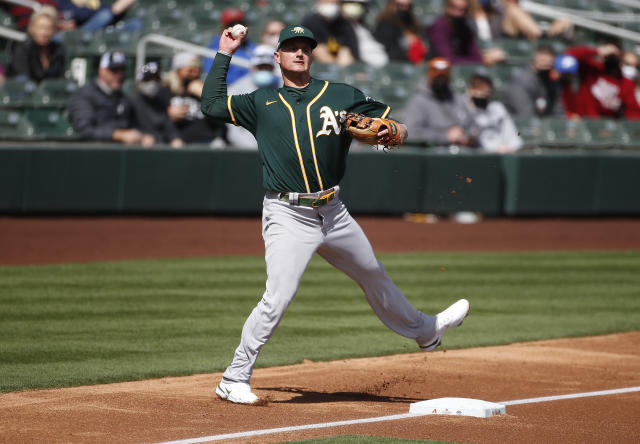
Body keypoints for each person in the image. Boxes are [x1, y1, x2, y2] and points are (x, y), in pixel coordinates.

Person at [201, 24, 470, 404]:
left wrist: (392, 130)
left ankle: (425, 331)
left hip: (333, 211)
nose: (298, 53)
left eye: (305, 48)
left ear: (312, 55)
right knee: (278, 296)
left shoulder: (340, 95)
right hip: (287, 212)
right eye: (290, 48)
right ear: (276, 56)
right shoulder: (260, 103)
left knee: (373, 274)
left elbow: (397, 125)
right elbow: (210, 106)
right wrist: (225, 52)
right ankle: (234, 376)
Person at [68, 50, 154, 146]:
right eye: (114, 70)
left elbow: (135, 124)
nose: (119, 75)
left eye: (122, 70)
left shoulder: (123, 98)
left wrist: (143, 136)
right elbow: (85, 130)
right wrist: (118, 135)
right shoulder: (84, 95)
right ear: (102, 71)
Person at [403, 57, 478, 147]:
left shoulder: (457, 98)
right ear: (429, 77)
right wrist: (445, 136)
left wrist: (466, 136)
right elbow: (412, 133)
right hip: (433, 153)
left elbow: (473, 126)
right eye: (437, 78)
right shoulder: (418, 101)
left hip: (462, 150)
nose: (441, 81)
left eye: (443, 78)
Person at [564, 41, 640, 119]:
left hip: (605, 126)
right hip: (582, 120)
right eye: (626, 63)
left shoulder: (626, 83)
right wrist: (598, 50)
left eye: (634, 66)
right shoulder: (593, 70)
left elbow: (633, 111)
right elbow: (569, 55)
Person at [165, 52, 226, 145]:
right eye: (190, 70)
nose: (194, 74)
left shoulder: (203, 89)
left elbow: (222, 114)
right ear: (178, 71)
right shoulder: (166, 90)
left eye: (197, 71)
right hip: (178, 143)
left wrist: (206, 95)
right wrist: (168, 114)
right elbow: (152, 119)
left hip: (207, 142)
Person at [226, 44, 280, 149]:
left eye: (267, 67)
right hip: (245, 152)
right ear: (253, 66)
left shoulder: (283, 87)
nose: (264, 70)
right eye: (261, 67)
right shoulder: (234, 91)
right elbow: (233, 132)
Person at [427, 0, 505, 66]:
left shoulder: (464, 28)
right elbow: (448, 59)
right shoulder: (438, 27)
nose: (458, 14)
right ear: (446, 7)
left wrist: (486, 57)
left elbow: (474, 52)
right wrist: (482, 61)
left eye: (462, 10)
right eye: (454, 8)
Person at [502, 45, 565, 118]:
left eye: (550, 64)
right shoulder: (521, 81)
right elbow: (526, 114)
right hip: (516, 125)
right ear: (534, 61)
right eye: (542, 61)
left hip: (541, 123)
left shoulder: (552, 83)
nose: (546, 64)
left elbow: (558, 111)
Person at [131, 62, 183, 148]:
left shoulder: (162, 102)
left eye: (156, 80)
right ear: (139, 82)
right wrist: (141, 137)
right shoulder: (131, 103)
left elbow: (170, 130)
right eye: (148, 79)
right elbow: (126, 129)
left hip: (160, 150)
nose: (152, 83)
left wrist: (176, 139)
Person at [466, 73, 522, 153]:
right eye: (479, 90)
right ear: (470, 90)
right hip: (478, 153)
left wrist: (512, 147)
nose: (482, 95)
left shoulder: (497, 108)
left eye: (486, 92)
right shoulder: (464, 110)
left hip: (502, 152)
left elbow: (512, 134)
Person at [8, 6, 65, 82]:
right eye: (41, 27)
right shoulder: (23, 48)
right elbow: (22, 78)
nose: (44, 33)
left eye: (48, 28)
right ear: (32, 28)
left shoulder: (57, 50)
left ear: (54, 30)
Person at [202, 7, 257, 84]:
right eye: (232, 24)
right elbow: (214, 79)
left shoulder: (252, 47)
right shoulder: (214, 50)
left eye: (240, 23)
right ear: (223, 28)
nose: (237, 28)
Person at [302, 0, 359, 66]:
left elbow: (350, 54)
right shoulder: (310, 22)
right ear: (318, 2)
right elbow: (318, 53)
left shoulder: (345, 24)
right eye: (327, 2)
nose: (331, 6)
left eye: (334, 3)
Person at [374, 0, 427, 64]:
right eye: (399, 5)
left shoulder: (414, 25)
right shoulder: (386, 25)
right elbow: (388, 51)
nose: (404, 8)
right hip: (396, 67)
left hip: (417, 66)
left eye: (407, 6)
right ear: (391, 4)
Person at [342, 0, 389, 68]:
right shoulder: (339, 28)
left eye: (360, 4)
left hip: (378, 71)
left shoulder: (367, 28)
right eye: (351, 3)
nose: (355, 7)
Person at [56, 0, 138, 32]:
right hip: (79, 31)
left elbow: (114, 10)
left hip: (104, 28)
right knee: (106, 15)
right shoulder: (63, 2)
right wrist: (61, 25)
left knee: (134, 24)